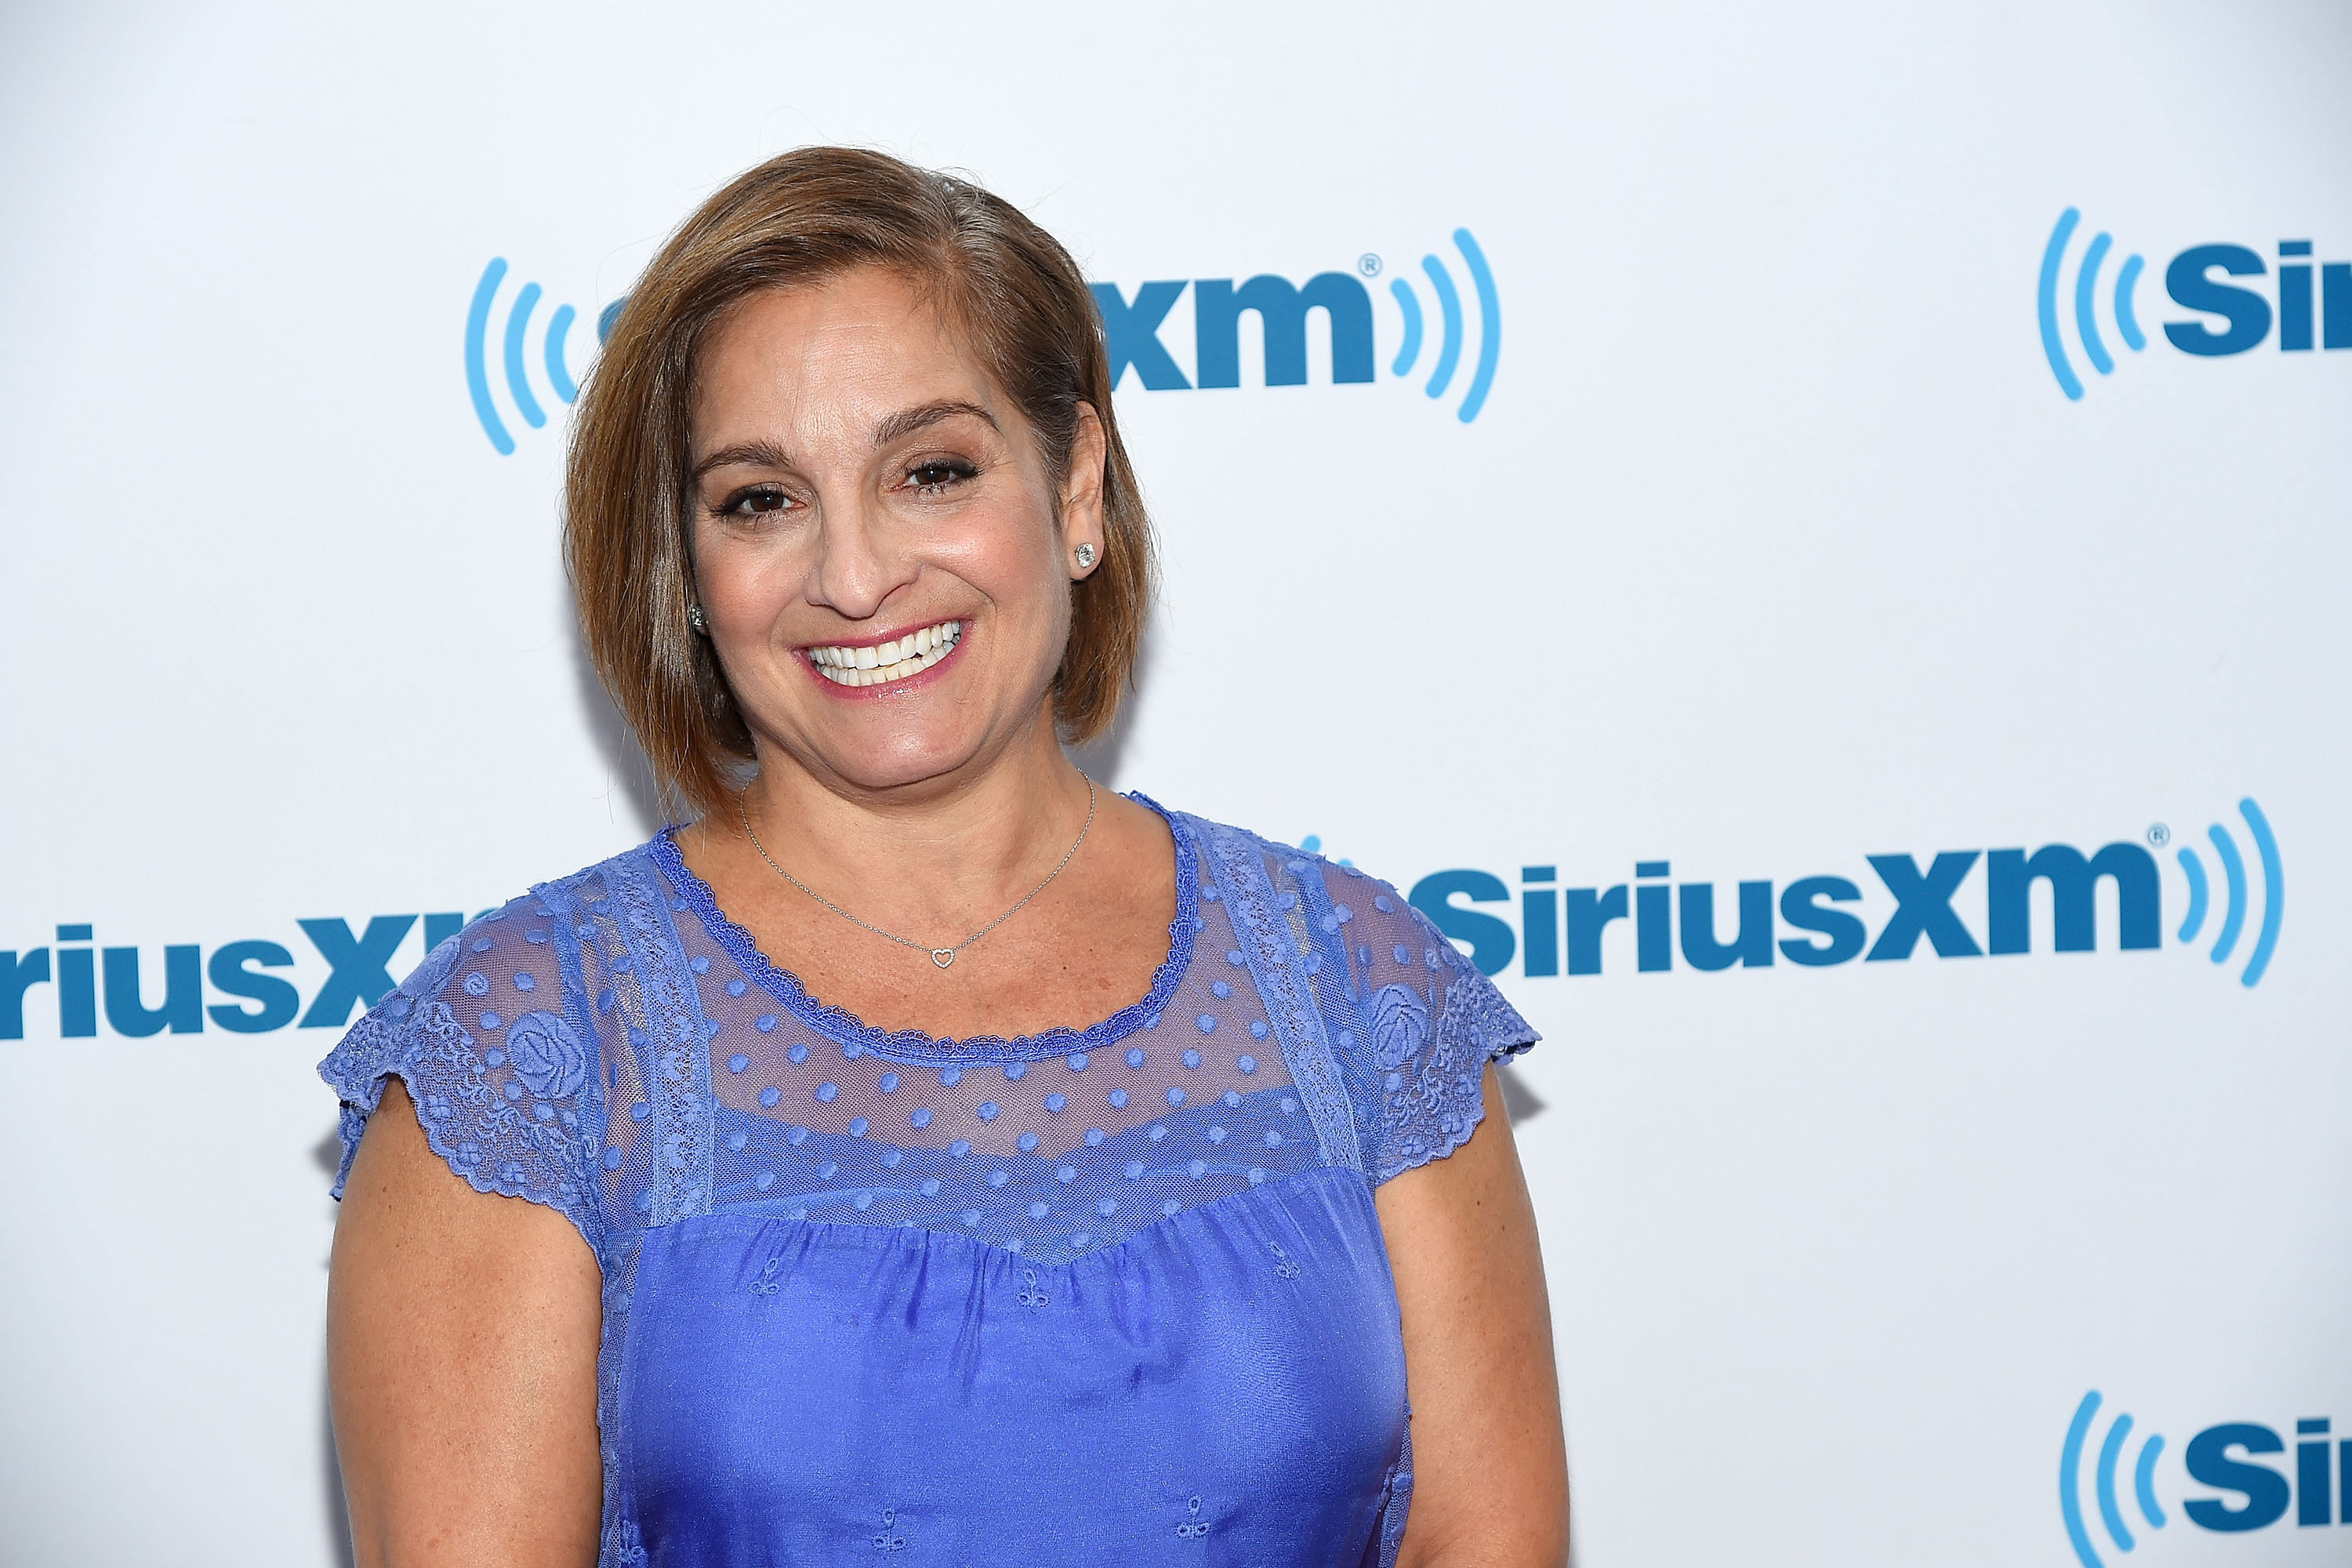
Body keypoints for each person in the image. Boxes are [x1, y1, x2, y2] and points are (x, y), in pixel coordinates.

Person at [321, 146, 1568, 1568]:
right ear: (686, 568)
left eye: (931, 472)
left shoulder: (1356, 981)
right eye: (760, 499)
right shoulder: (534, 1045)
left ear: (1077, 487)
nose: (856, 577)